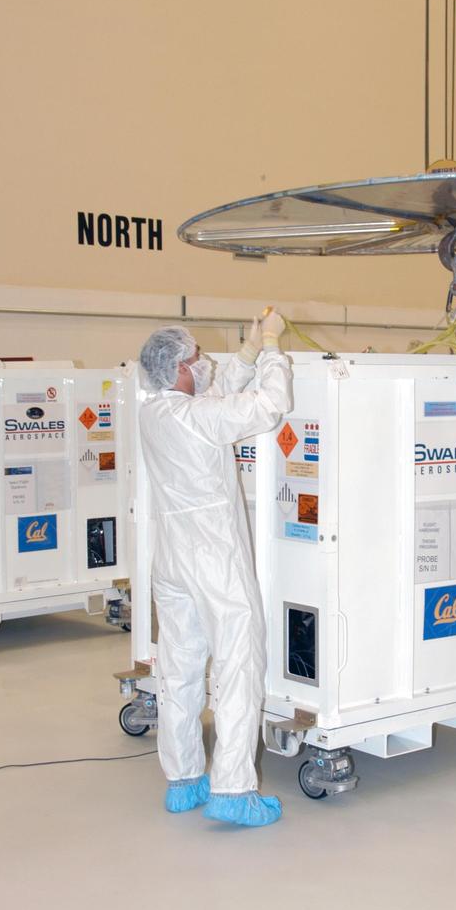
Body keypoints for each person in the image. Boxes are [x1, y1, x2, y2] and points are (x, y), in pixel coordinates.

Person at [138, 311, 292, 827]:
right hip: (213, 559)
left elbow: (212, 400)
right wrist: (272, 347)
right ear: (180, 368)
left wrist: (244, 354)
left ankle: (182, 780)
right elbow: (268, 407)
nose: (204, 363)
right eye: (198, 357)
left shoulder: (155, 413)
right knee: (239, 664)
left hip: (173, 559)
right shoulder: (196, 418)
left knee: (179, 670)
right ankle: (232, 789)